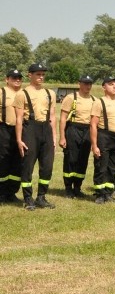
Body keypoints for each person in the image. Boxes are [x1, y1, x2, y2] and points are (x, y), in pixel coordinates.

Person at [14, 63, 56, 211]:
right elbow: (19, 119)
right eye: (38, 74)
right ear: (30, 75)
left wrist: (54, 137)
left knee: (47, 166)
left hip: (46, 129)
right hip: (30, 129)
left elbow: (52, 116)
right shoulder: (22, 94)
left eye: (43, 74)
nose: (41, 77)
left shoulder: (50, 93)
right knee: (28, 166)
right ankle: (28, 198)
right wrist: (19, 140)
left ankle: (41, 197)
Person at [90, 76, 115, 204]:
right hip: (104, 136)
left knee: (113, 167)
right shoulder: (99, 102)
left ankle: (109, 193)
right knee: (101, 166)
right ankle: (100, 194)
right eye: (111, 84)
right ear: (104, 87)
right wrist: (94, 145)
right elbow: (93, 124)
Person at [58, 74, 95, 199]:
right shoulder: (71, 97)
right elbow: (63, 118)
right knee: (71, 159)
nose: (87, 86)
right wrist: (62, 137)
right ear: (79, 83)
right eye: (85, 83)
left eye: (89, 84)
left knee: (82, 160)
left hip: (87, 130)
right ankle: (68, 188)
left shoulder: (94, 100)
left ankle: (77, 187)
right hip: (73, 128)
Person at [0, 69, 24, 203]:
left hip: (21, 131)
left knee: (18, 162)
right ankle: (1, 193)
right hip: (4, 129)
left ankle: (12, 192)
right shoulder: (1, 92)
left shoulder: (23, 93)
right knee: (3, 161)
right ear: (7, 79)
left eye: (19, 77)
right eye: (14, 77)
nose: (17, 80)